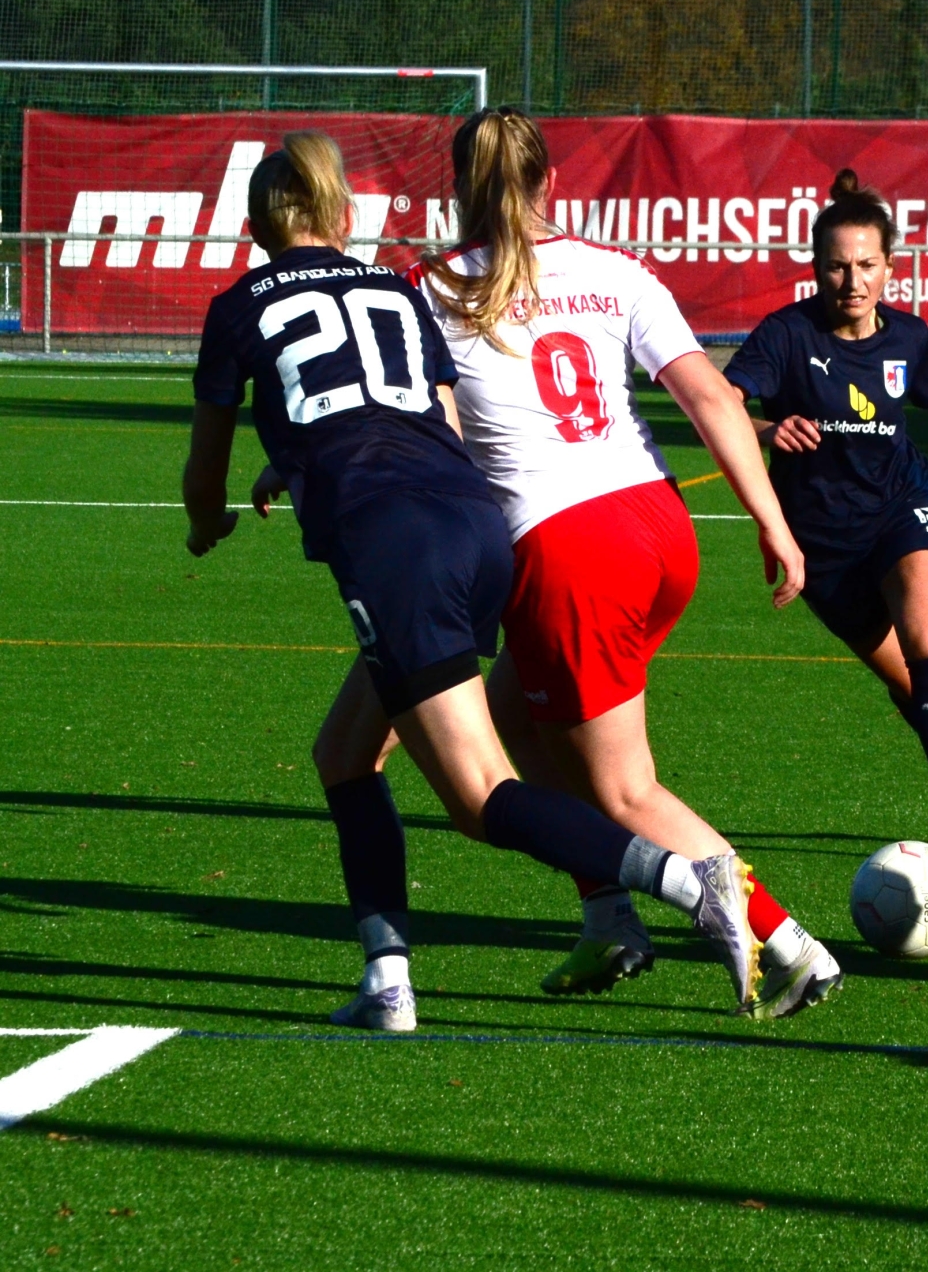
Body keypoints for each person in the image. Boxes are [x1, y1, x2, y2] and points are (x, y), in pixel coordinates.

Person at [184, 131, 760, 1033]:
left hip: (403, 548)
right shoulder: (395, 288)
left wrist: (207, 520)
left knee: (482, 794)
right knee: (346, 755)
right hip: (485, 528)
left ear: (257, 229)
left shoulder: (248, 305)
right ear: (344, 216)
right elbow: (436, 417)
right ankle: (391, 980)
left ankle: (689, 881)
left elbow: (204, 472)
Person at [385, 106, 835, 1020]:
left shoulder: (429, 289)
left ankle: (790, 945)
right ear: (550, 182)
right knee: (511, 723)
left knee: (622, 788)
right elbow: (711, 396)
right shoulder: (615, 269)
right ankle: (607, 917)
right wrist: (774, 523)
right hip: (659, 530)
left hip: (568, 550)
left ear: (457, 187)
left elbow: (420, 434)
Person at [724, 169, 928, 865]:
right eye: (837, 266)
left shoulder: (909, 338)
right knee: (915, 690)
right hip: (821, 542)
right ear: (816, 267)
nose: (852, 280)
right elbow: (721, 408)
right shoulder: (785, 335)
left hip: (904, 506)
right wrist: (767, 428)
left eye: (867, 265)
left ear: (889, 267)